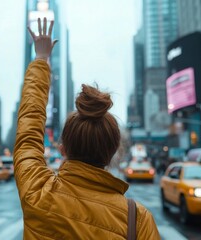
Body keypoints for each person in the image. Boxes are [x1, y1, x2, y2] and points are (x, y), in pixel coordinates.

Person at [14, 18, 160, 239]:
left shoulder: (38, 191)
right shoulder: (137, 218)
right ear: (112, 152)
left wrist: (41, 60)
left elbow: (29, 129)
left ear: (63, 149)